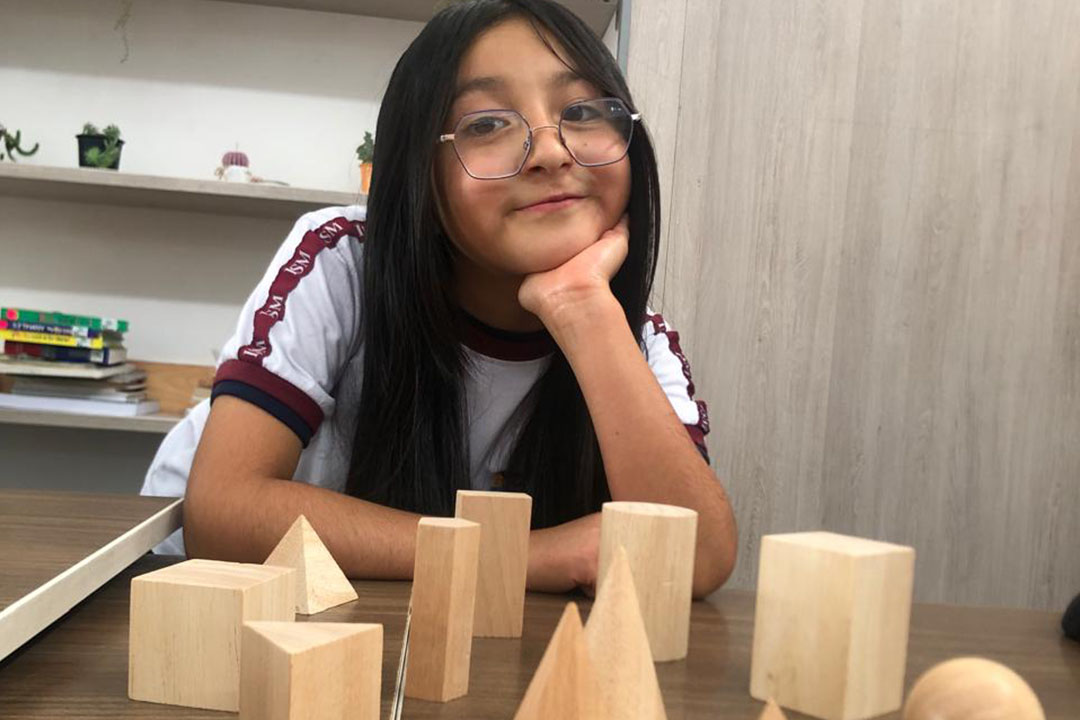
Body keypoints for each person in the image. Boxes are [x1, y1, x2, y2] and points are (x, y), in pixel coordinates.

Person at [142, 0, 737, 597]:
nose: (551, 151)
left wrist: (583, 309)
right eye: (487, 124)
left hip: (444, 615)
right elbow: (223, 512)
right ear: (419, 170)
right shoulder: (344, 260)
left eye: (581, 111)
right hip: (215, 598)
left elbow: (696, 557)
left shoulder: (632, 336)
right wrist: (525, 556)